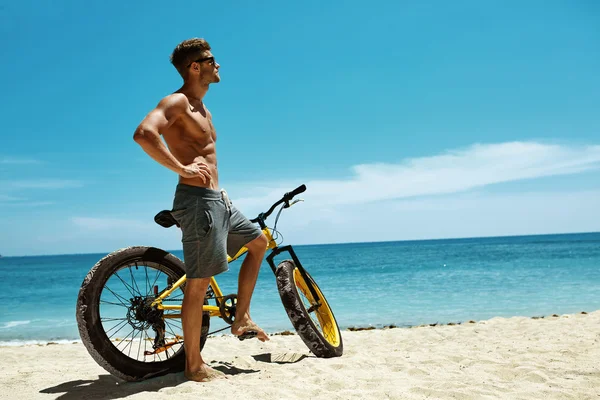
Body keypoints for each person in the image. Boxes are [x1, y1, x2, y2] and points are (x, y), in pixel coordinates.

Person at [133, 37, 269, 382]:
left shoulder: (203, 109)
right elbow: (145, 134)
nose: (218, 64)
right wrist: (182, 169)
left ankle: (241, 317)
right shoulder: (176, 101)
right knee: (198, 283)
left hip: (217, 200)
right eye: (211, 60)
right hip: (196, 203)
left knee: (257, 243)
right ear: (195, 67)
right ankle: (193, 366)